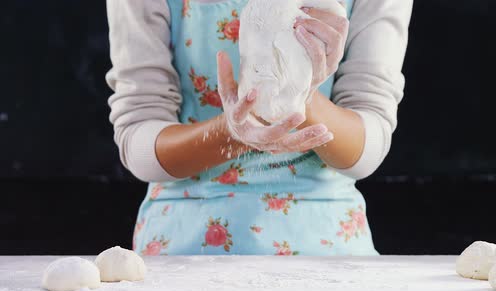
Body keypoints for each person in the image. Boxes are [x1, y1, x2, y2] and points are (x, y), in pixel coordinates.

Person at [106, 0, 413, 256]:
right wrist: (231, 131)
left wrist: (293, 94)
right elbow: (139, 143)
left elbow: (366, 149)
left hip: (326, 240)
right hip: (183, 241)